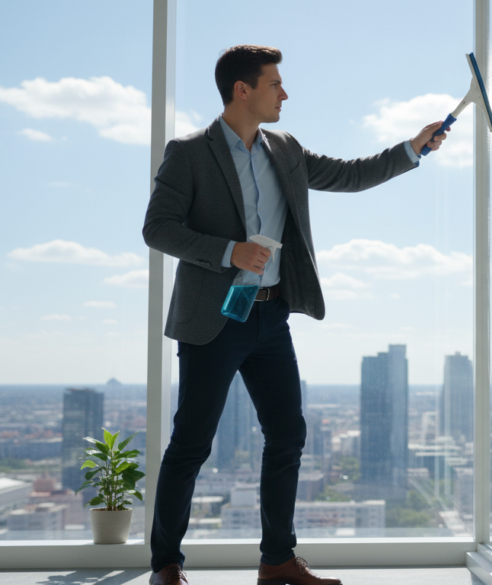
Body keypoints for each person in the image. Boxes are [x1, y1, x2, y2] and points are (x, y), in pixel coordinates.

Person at [142, 44, 448, 585]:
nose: (285, 93)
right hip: (213, 320)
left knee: (287, 436)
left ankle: (277, 560)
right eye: (275, 84)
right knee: (192, 443)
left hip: (269, 317)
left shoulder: (284, 148)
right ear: (243, 90)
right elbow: (157, 228)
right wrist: (228, 250)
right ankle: (167, 563)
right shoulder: (188, 153)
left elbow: (350, 175)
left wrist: (411, 149)